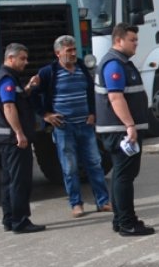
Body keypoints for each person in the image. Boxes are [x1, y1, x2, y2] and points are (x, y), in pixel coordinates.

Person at [32, 35, 111, 219]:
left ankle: (103, 202)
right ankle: (76, 204)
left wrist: (92, 113)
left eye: (74, 49)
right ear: (58, 53)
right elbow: (34, 95)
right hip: (64, 128)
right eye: (69, 51)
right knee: (70, 167)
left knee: (95, 164)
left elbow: (92, 91)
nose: (73, 53)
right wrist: (46, 115)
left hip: (85, 125)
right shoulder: (48, 72)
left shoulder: (82, 68)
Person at [95, 23, 154, 236]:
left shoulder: (121, 62)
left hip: (119, 129)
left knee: (122, 174)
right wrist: (130, 125)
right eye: (132, 40)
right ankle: (128, 223)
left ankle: (120, 220)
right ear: (119, 40)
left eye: (136, 40)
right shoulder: (114, 64)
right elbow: (115, 97)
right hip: (120, 130)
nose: (136, 43)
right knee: (124, 176)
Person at [0, 43, 46, 234]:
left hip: (7, 140)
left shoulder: (5, 78)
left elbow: (16, 99)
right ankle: (20, 221)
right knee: (20, 181)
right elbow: (9, 106)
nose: (26, 62)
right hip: (13, 140)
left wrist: (28, 88)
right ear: (10, 58)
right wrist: (19, 133)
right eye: (22, 59)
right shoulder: (7, 79)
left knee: (9, 180)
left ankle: (10, 220)